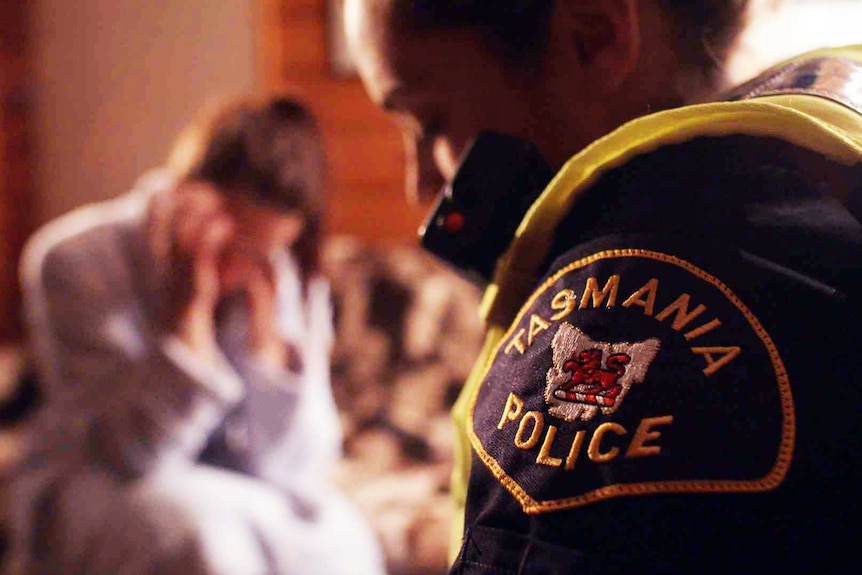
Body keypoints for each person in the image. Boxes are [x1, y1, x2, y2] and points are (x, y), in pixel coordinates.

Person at [343, 0, 862, 572]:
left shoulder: (624, 292)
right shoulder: (834, 141)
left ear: (594, 34)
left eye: (429, 121)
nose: (422, 184)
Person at [3, 94, 386, 575]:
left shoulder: (278, 270)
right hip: (97, 479)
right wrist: (188, 317)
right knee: (202, 536)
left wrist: (267, 352)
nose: (243, 268)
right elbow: (130, 453)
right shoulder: (71, 259)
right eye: (234, 246)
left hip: (225, 483)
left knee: (343, 542)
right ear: (185, 196)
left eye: (262, 252)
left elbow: (300, 465)